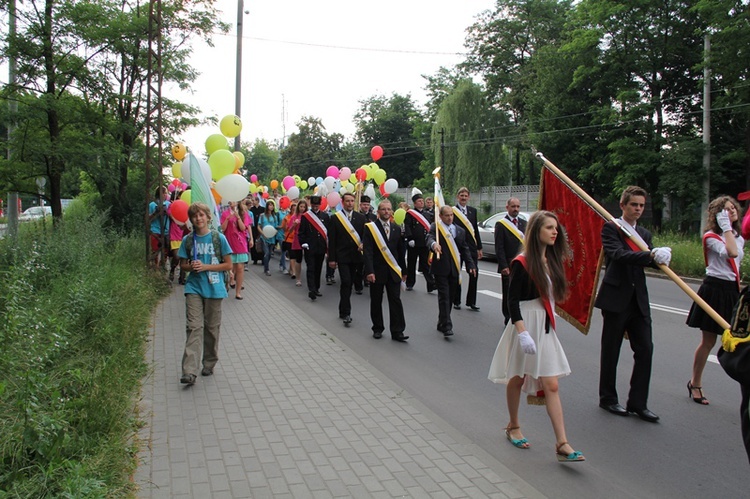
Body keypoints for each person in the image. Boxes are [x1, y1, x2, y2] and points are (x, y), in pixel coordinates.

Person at [488, 211, 584, 463]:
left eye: (556, 228)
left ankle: (562, 443)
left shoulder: (551, 261)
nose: (555, 232)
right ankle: (513, 425)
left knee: (551, 384)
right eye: (549, 228)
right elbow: (512, 301)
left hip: (544, 326)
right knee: (517, 379)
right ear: (536, 231)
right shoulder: (522, 262)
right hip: (526, 327)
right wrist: (522, 333)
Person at [595, 186, 671, 423]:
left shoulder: (645, 235)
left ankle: (638, 403)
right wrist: (649, 255)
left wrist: (660, 258)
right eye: (633, 205)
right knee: (611, 350)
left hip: (638, 300)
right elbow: (618, 255)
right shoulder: (612, 228)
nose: (637, 209)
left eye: (640, 205)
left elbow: (646, 262)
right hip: (616, 298)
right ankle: (607, 398)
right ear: (623, 205)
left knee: (646, 349)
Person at [687, 196, 743, 405]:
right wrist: (726, 227)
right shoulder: (711, 237)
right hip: (714, 290)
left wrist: (730, 229)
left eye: (733, 208)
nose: (732, 212)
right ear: (718, 217)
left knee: (740, 342)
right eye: (726, 210)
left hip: (731, 291)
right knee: (709, 341)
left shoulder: (738, 236)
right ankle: (696, 383)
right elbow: (732, 252)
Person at [177, 202, 233, 385]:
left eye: (201, 215)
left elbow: (228, 264)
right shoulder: (188, 240)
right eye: (194, 216)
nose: (198, 218)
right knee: (194, 327)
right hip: (194, 287)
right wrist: (191, 267)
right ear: (191, 219)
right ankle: (189, 371)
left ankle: (209, 362)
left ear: (208, 217)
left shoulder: (218, 238)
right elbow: (182, 265)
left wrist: (206, 266)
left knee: (211, 328)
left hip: (215, 289)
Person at [426, 205, 476, 337]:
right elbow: (429, 238)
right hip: (440, 268)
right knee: (444, 296)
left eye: (451, 215)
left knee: (451, 297)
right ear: (441, 216)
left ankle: (441, 321)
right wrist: (434, 245)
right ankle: (447, 325)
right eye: (446, 215)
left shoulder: (459, 230)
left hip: (455, 268)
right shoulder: (436, 228)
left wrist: (471, 264)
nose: (449, 217)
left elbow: (465, 249)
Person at [363, 199, 408, 341]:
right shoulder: (371, 228)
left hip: (393, 272)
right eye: (383, 209)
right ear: (378, 212)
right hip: (376, 271)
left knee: (395, 301)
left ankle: (397, 331)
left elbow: (401, 252)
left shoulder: (396, 228)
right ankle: (377, 328)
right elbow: (368, 251)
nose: (386, 212)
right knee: (376, 300)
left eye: (389, 209)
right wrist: (369, 271)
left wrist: (404, 271)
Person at [328, 192, 366, 325]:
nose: (350, 203)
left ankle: (342, 308)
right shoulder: (335, 218)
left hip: (356, 257)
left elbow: (365, 236)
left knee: (350, 283)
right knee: (346, 282)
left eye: (352, 201)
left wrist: (363, 244)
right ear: (342, 203)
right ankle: (346, 312)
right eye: (347, 201)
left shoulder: (361, 218)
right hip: (342, 256)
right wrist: (331, 259)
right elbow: (332, 240)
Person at [495, 197, 527, 324]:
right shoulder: (501, 224)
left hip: (523, 263)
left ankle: (519, 316)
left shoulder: (524, 224)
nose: (516, 209)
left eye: (518, 207)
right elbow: (499, 247)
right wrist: (503, 266)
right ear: (507, 207)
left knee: (521, 290)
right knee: (508, 291)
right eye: (513, 206)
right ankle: (508, 316)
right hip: (508, 264)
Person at [452, 187, 482, 311]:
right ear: (457, 197)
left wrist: (479, 247)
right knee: (457, 274)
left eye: (466, 196)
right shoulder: (452, 211)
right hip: (457, 247)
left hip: (471, 248)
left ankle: (471, 302)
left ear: (468, 197)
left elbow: (475, 230)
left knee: (474, 273)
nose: (464, 198)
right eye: (461, 195)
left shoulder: (472, 211)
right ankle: (456, 300)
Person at [298, 195, 330, 300]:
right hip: (310, 247)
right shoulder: (306, 216)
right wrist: (303, 243)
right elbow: (301, 232)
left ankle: (317, 288)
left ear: (320, 205)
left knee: (318, 268)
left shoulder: (325, 216)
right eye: (314, 205)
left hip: (321, 247)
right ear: (311, 205)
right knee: (311, 268)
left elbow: (327, 233)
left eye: (317, 205)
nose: (315, 207)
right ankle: (311, 289)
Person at [220, 200, 253, 300]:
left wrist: (238, 217)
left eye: (235, 201)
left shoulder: (243, 213)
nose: (233, 203)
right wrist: (227, 219)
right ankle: (227, 284)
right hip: (229, 243)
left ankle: (238, 292)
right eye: (231, 201)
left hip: (240, 244)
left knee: (239, 268)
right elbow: (222, 228)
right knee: (229, 268)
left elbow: (244, 228)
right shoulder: (225, 213)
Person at [404, 193, 436, 292]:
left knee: (426, 265)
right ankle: (410, 283)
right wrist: (410, 238)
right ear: (415, 203)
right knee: (411, 264)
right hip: (414, 243)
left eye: (422, 201)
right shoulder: (410, 213)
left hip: (424, 243)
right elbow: (407, 226)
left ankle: (431, 285)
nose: (422, 203)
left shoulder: (427, 214)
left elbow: (430, 228)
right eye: (419, 201)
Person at [258, 200, 283, 277]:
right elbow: (258, 226)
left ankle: (266, 266)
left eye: (272, 205)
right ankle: (267, 269)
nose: (271, 206)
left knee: (269, 254)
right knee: (266, 253)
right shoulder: (262, 216)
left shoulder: (275, 217)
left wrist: (279, 229)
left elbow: (276, 227)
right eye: (269, 205)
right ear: (267, 206)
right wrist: (262, 233)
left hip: (272, 238)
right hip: (264, 237)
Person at [148, 186, 171, 268]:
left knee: (165, 252)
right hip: (155, 231)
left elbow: (172, 217)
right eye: (164, 193)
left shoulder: (169, 204)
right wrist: (155, 212)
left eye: (166, 193)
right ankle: (155, 268)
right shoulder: (152, 205)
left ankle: (162, 268)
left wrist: (167, 212)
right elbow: (148, 218)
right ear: (160, 193)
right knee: (155, 251)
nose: (166, 195)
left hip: (166, 231)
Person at [288, 200, 307, 287]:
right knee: (298, 259)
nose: (302, 208)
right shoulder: (294, 217)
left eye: (304, 207)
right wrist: (294, 225)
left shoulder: (307, 216)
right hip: (297, 239)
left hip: (307, 239)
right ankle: (298, 278)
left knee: (308, 259)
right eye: (301, 207)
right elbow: (290, 230)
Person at [281, 200, 299, 280]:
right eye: (293, 209)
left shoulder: (299, 217)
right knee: (292, 255)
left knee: (295, 256)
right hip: (289, 239)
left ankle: (291, 269)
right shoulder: (287, 217)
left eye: (295, 209)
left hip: (297, 239)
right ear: (290, 209)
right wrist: (287, 224)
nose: (294, 210)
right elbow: (284, 229)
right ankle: (293, 272)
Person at [249, 196, 264, 265]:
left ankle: (262, 258)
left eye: (254, 200)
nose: (252, 202)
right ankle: (255, 258)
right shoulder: (251, 210)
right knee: (254, 243)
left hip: (261, 228)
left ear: (257, 201)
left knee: (261, 243)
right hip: (253, 228)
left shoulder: (263, 209)